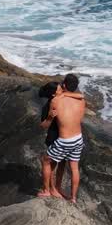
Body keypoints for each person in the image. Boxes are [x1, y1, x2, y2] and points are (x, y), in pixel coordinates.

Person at [38, 73, 85, 203]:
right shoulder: (81, 100)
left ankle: (48, 190)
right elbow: (81, 95)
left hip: (65, 140)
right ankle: (73, 198)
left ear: (64, 86)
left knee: (46, 161)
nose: (60, 88)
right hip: (78, 138)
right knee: (74, 168)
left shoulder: (55, 100)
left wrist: (63, 95)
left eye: (61, 86)